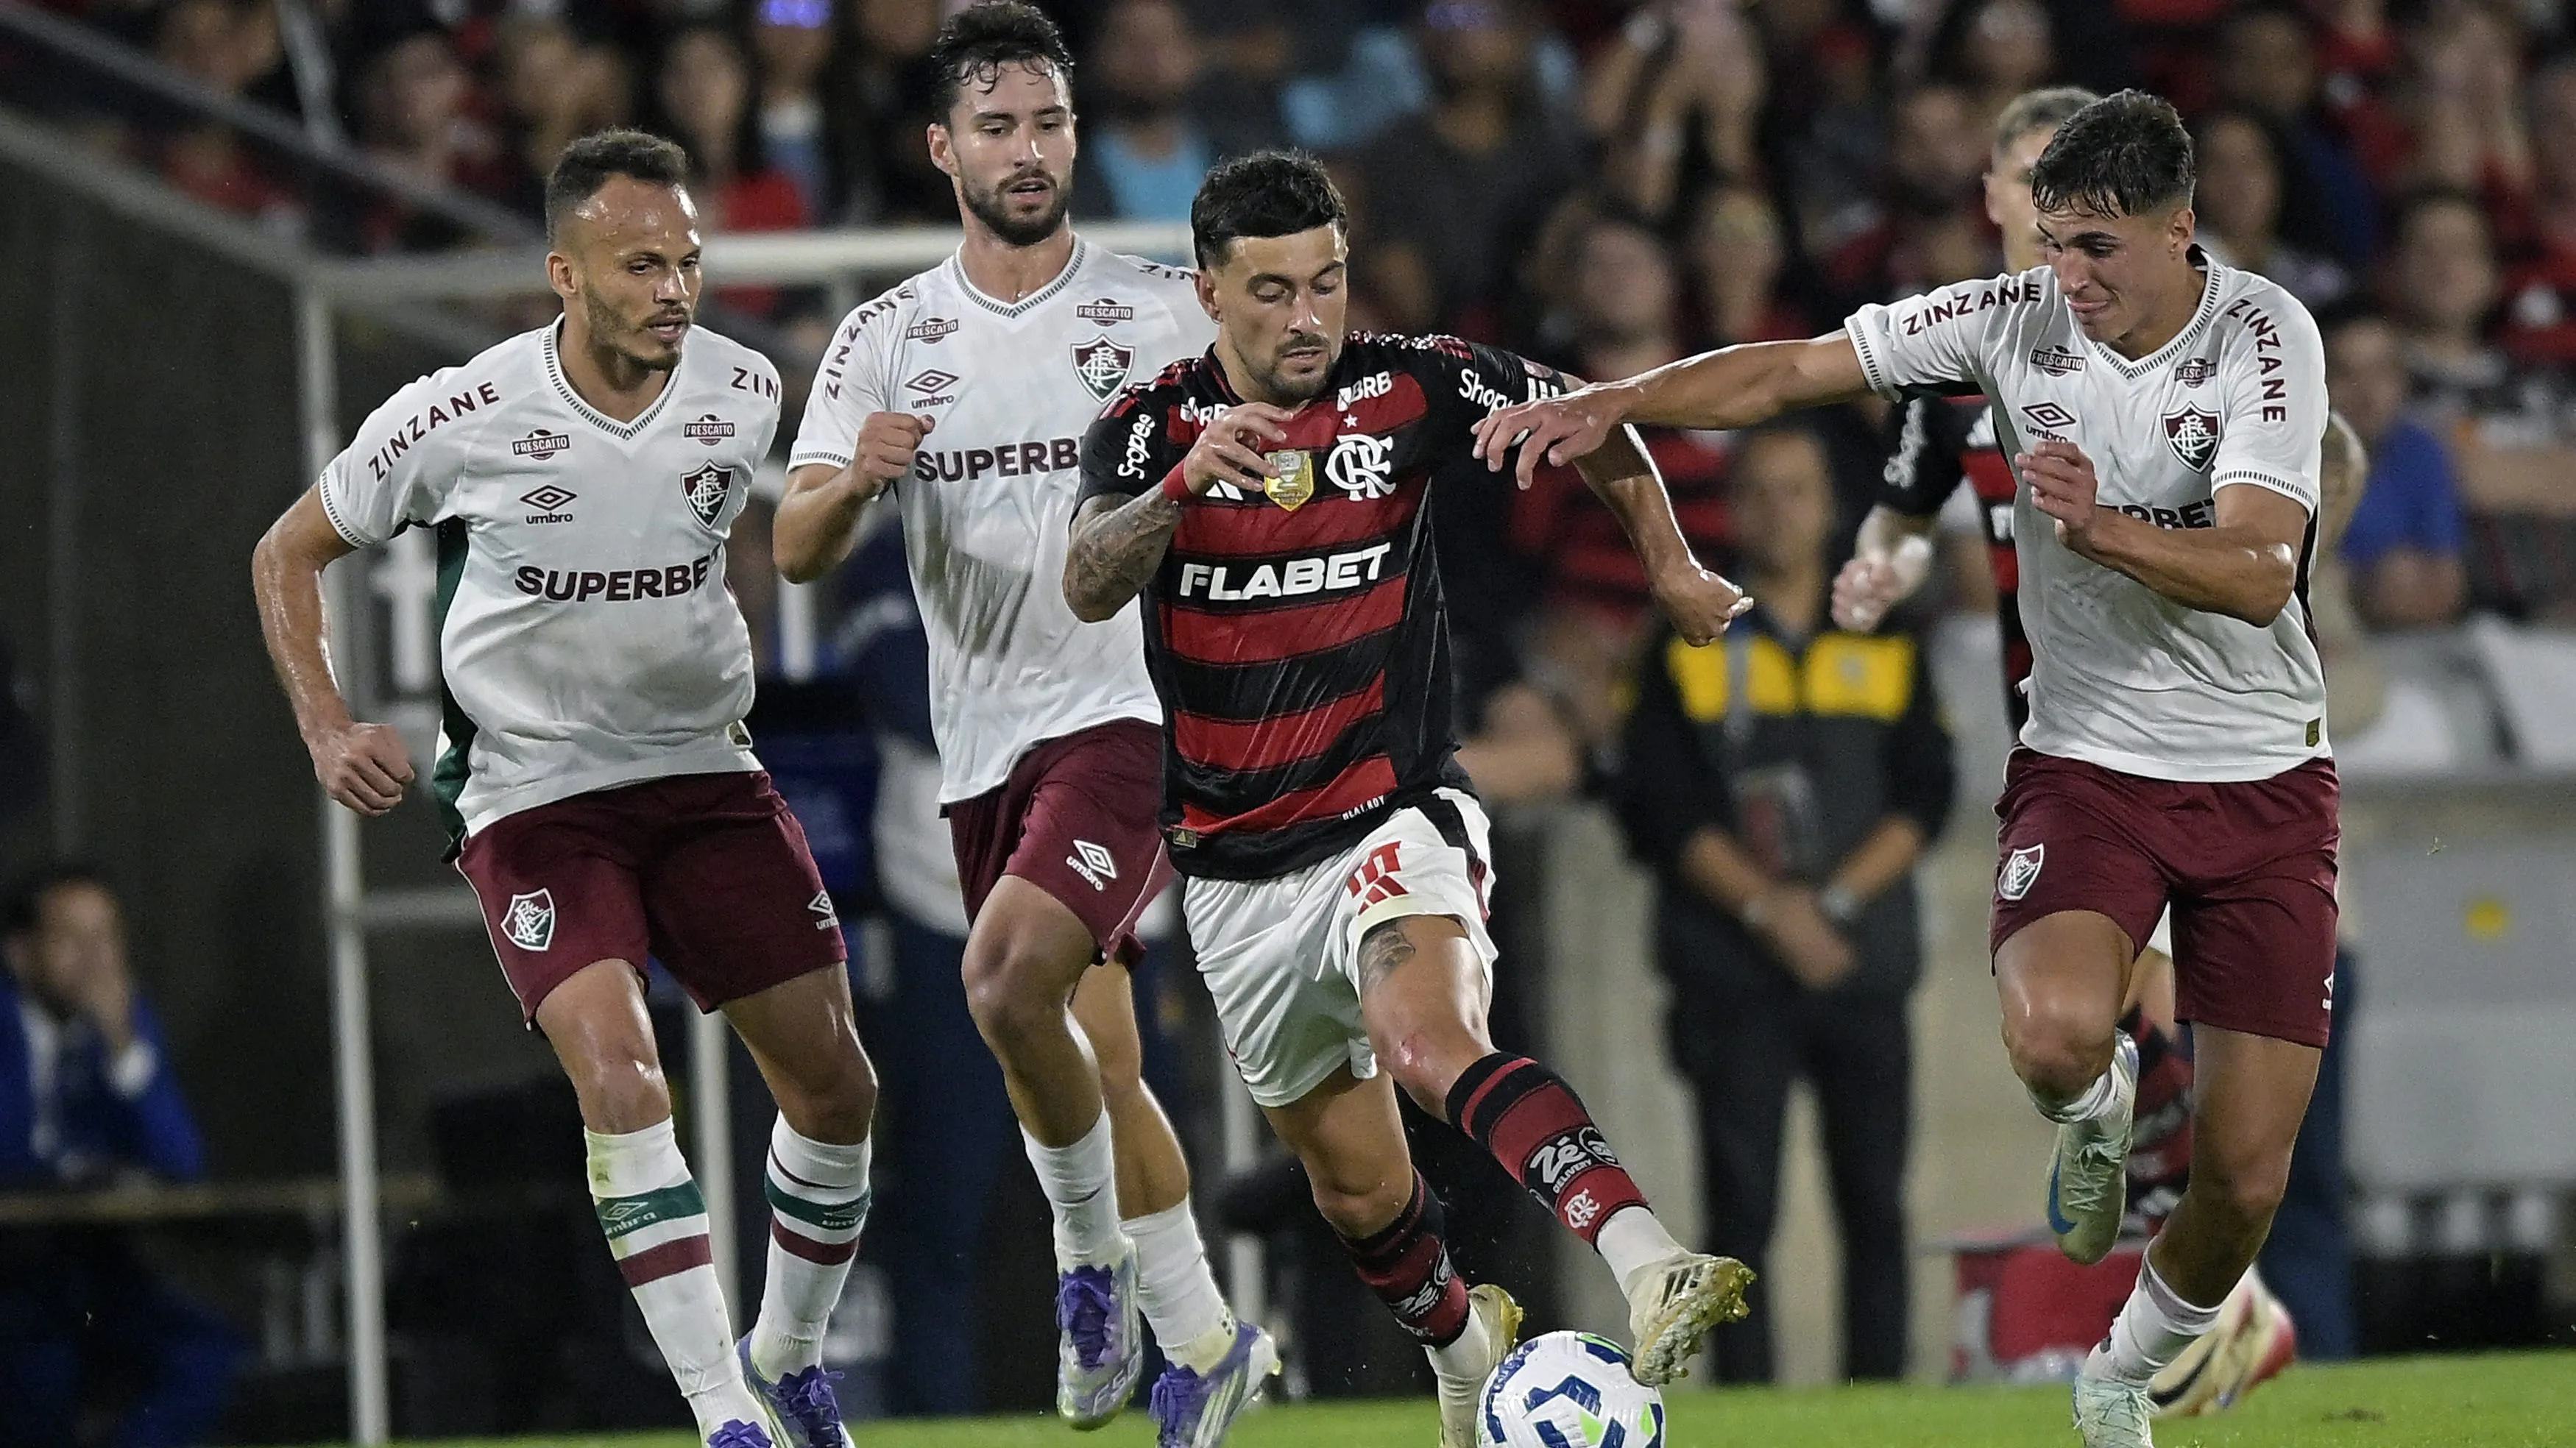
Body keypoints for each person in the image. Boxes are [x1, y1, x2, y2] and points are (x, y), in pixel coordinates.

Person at [1479, 91, 2340, 1448]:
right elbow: (1788, 371)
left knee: (2242, 1175)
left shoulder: (2263, 333)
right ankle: (2099, 1102)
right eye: (2053, 241)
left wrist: (2099, 530)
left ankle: (2121, 1366)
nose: (2069, 277)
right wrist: (1620, 399)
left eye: (2100, 248)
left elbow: (2254, 570)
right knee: (2056, 1035)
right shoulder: (2012, 319)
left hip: (2265, 782)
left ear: (2183, 233)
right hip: (2089, 761)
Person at [1064, 149, 1756, 1448]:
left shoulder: (1412, 384)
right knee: (1359, 1191)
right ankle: (1462, 1350)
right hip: (1231, 869)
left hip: (1393, 813)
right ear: (1210, 290)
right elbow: (1088, 580)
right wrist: (1177, 489)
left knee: (1430, 1038)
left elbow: (1589, 416)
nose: (1305, 316)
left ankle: (1648, 1252)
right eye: (1270, 291)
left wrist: (1668, 566)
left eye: (1324, 282)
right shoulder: (1151, 425)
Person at [252, 130, 876, 1448]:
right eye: (640, 262)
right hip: (537, 791)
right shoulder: (459, 412)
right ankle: (723, 1417)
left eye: (689, 262)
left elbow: (791, 535)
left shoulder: (744, 388)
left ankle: (790, 1357)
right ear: (563, 274)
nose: (674, 287)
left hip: (707, 770)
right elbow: (286, 551)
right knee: (622, 1069)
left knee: (837, 1087)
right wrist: (323, 722)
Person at [770, 8, 1268, 1444]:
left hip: (1122, 720)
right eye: (997, 126)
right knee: (1097, 1068)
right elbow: (798, 550)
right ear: (943, 149)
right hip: (980, 750)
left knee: (1000, 987)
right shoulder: (886, 337)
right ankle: (1204, 1337)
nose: (1029, 149)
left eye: (1048, 122)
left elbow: (1275, 445)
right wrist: (855, 484)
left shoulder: (1160, 312)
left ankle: (1089, 1259)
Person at [1617, 427, 1956, 1385]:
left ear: (1831, 505)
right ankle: (1750, 1414)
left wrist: (1834, 903)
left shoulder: (1887, 632)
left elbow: (1926, 793)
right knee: (1740, 1212)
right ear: (1730, 508)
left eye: (1798, 489)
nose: (1780, 511)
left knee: (1876, 1206)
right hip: (1732, 973)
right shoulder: (1684, 631)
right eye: (1758, 492)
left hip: (1863, 965)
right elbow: (1659, 805)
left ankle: (1882, 1404)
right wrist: (1774, 912)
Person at [0, 866, 239, 1448]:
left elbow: (181, 1164)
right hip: (13, 1273)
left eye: (106, 938)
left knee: (207, 1353)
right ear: (22, 954)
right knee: (39, 1378)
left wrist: (126, 1052)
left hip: (93, 1268)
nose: (96, 959)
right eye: (71, 940)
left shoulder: (122, 1025)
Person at [2324, 305, 2466, 629]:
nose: (2367, 393)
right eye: (2345, 374)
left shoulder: (2422, 452)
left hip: (2411, 641)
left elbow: (2446, 586)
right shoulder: (2279, 458)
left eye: (2381, 372)